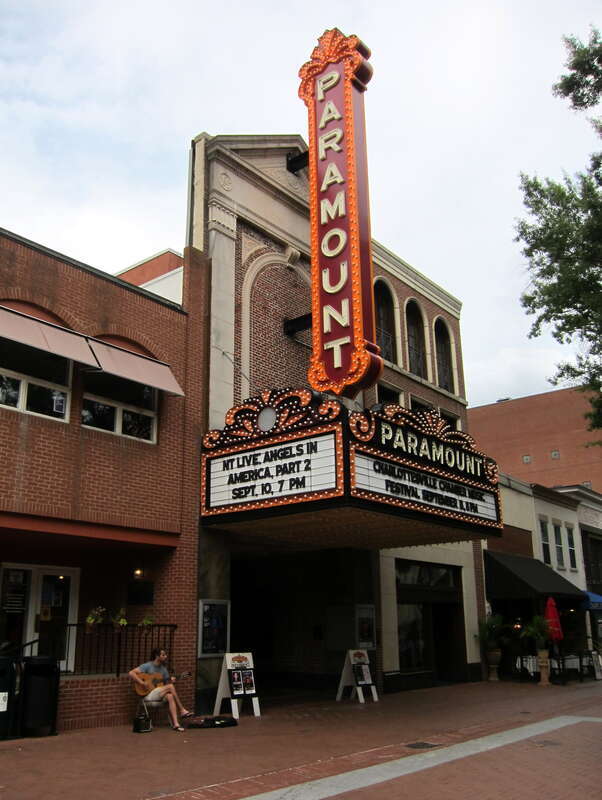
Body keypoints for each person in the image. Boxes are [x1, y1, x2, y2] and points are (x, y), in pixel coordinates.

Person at [129, 648, 192, 731]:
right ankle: (182, 710)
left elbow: (166, 686)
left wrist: (172, 681)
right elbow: (131, 673)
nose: (165, 656)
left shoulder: (163, 669)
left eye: (165, 655)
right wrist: (142, 683)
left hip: (158, 694)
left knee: (170, 695)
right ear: (157, 656)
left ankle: (176, 724)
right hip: (147, 695)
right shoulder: (147, 666)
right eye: (163, 655)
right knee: (170, 687)